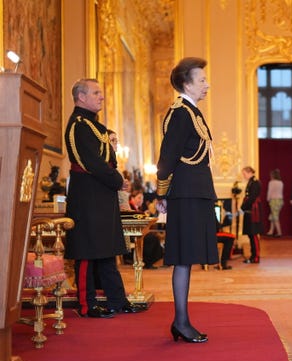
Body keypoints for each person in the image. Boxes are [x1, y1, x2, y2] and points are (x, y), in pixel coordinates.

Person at [63, 78, 144, 318]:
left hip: (102, 194)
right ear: (81, 97)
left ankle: (118, 301)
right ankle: (86, 305)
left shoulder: (97, 127)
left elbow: (109, 158)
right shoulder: (78, 125)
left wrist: (116, 178)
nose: (102, 97)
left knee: (107, 250)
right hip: (87, 196)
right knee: (87, 251)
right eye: (96, 93)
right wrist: (118, 180)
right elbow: (92, 163)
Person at [156, 57, 219, 343]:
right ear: (185, 83)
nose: (207, 84)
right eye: (202, 80)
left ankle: (181, 320)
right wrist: (161, 192)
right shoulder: (180, 112)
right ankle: (181, 321)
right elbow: (168, 154)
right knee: (183, 258)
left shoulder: (192, 111)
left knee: (188, 259)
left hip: (196, 189)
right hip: (185, 192)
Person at [127, 190, 164, 270]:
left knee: (154, 238)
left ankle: (149, 262)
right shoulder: (129, 206)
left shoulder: (139, 208)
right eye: (139, 198)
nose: (141, 200)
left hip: (138, 231)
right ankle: (147, 261)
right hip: (130, 233)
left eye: (142, 199)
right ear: (132, 198)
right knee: (152, 239)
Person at [240, 166, 263, 263]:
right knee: (250, 234)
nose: (244, 176)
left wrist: (242, 207)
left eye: (244, 174)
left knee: (253, 234)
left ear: (249, 172)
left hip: (253, 212)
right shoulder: (251, 182)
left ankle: (256, 256)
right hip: (249, 211)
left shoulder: (255, 183)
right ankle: (252, 256)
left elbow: (252, 198)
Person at [266, 168, 284, 237]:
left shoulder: (271, 182)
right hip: (280, 200)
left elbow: (269, 192)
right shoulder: (280, 182)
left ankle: (279, 232)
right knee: (273, 216)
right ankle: (271, 231)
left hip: (274, 200)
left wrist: (268, 199)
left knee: (275, 216)